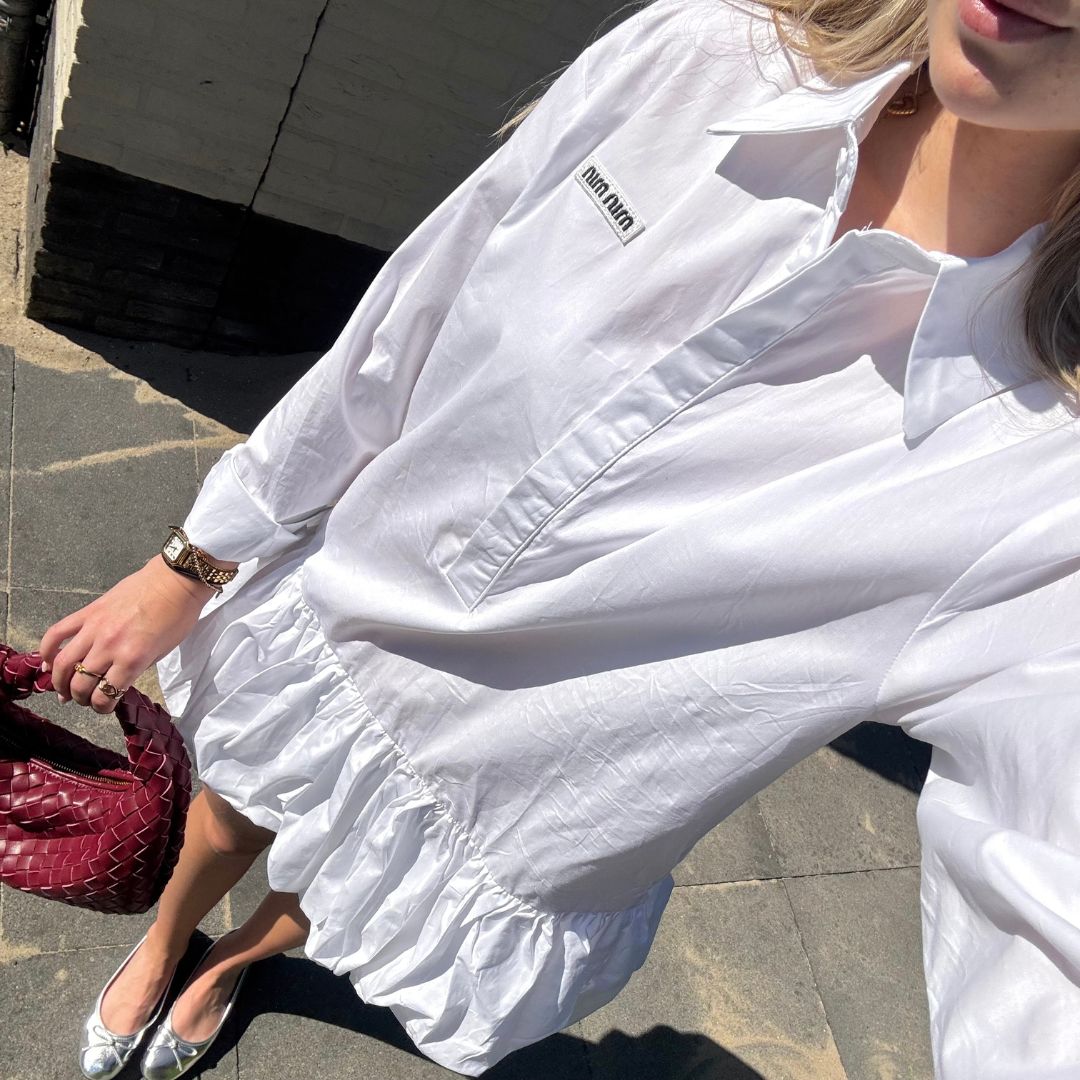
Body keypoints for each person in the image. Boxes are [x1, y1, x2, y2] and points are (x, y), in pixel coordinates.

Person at [39, 0, 1080, 1076]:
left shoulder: (1045, 476)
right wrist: (195, 561)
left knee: (337, 893)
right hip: (348, 623)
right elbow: (409, 320)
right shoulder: (701, 64)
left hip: (514, 790)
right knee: (228, 810)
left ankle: (231, 963)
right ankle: (168, 941)